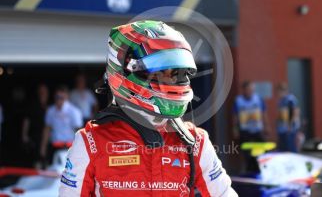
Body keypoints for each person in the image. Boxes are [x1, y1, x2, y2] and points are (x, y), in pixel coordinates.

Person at [59, 20, 238, 196]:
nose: (173, 82)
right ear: (126, 71)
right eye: (161, 73)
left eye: (177, 74)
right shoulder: (90, 142)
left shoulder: (195, 142)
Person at [40, 86, 82, 164]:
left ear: (67, 97)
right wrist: (43, 148)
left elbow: (79, 132)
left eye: (61, 97)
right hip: (54, 147)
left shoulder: (74, 111)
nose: (59, 100)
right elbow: (47, 130)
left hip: (69, 148)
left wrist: (79, 150)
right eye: (57, 97)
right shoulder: (50, 110)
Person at [233, 81, 269, 172]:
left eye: (252, 89)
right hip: (245, 132)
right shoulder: (238, 101)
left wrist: (267, 126)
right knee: (247, 154)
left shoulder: (258, 99)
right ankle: (250, 172)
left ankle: (261, 170)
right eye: (248, 89)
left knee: (261, 152)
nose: (250, 91)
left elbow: (264, 113)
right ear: (244, 90)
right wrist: (235, 129)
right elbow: (235, 116)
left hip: (257, 131)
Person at [22, 84, 50, 166]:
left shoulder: (51, 106)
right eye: (41, 92)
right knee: (36, 160)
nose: (42, 93)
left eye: (44, 92)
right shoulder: (33, 105)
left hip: (49, 137)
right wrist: (24, 135)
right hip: (35, 136)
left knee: (47, 160)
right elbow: (27, 120)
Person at [276, 83, 301, 152]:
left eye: (280, 91)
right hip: (282, 128)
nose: (278, 94)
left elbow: (295, 112)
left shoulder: (290, 99)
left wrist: (290, 125)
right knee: (282, 148)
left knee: (290, 148)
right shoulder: (281, 101)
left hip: (289, 129)